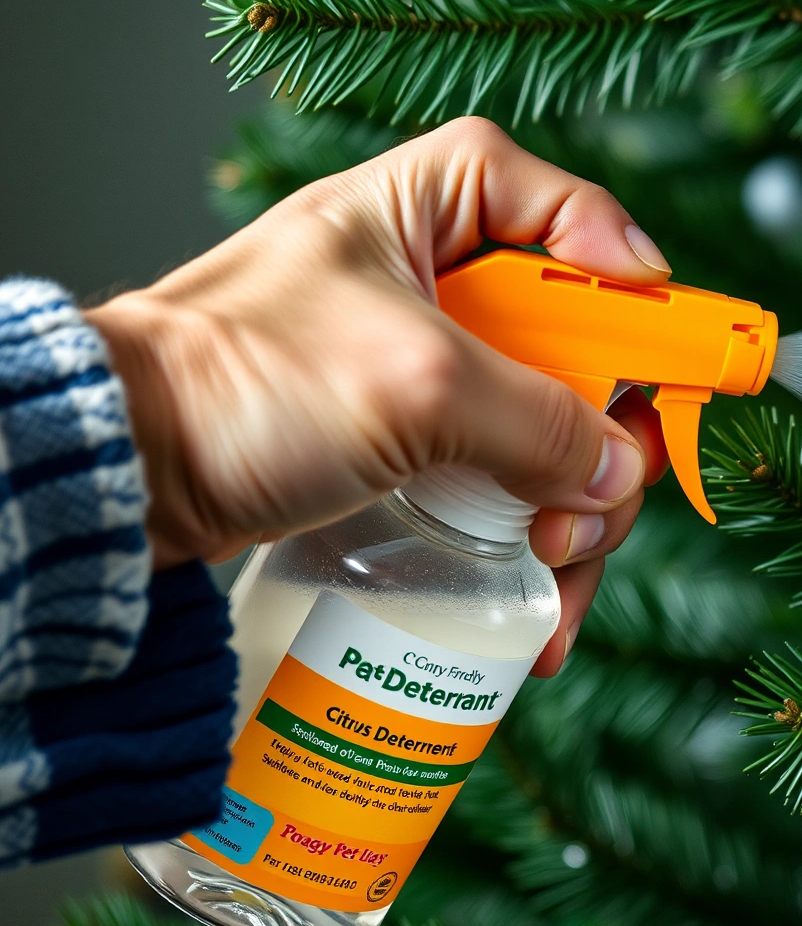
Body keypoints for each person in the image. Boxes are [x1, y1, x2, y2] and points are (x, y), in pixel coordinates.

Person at [0, 118, 674, 866]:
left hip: (337, 891)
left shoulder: (520, 597)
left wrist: (170, 398)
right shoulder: (343, 516)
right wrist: (183, 388)